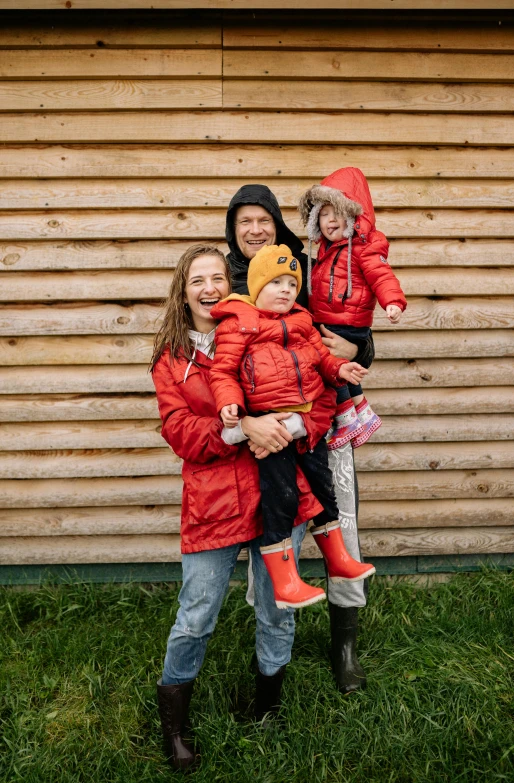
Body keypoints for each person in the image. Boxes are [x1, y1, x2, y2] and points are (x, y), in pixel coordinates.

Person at [150, 244, 324, 769]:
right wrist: (241, 426)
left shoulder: (264, 329)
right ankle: (175, 724)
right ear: (183, 293)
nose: (209, 288)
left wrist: (292, 424)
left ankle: (267, 707)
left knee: (277, 609)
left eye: (218, 278)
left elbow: (314, 400)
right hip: (215, 503)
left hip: (276, 497)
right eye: (197, 280)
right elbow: (180, 431)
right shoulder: (172, 361)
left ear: (233, 285)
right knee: (197, 613)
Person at [225, 185, 376, 695]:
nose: (255, 229)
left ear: (277, 223)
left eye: (263, 219)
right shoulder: (224, 279)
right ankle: (274, 654)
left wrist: (353, 347)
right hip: (259, 434)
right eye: (244, 221)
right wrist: (245, 423)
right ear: (233, 228)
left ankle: (345, 645)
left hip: (322, 423)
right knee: (277, 523)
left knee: (340, 521)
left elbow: (352, 328)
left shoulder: (305, 272)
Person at [209, 243, 376, 610]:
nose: (285, 289)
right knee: (281, 498)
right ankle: (284, 582)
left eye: (291, 283)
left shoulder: (303, 321)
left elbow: (321, 358)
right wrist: (229, 403)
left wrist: (339, 369)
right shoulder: (238, 324)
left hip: (309, 423)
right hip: (272, 427)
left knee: (324, 489)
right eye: (276, 282)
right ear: (256, 288)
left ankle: (339, 561)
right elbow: (222, 371)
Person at [299, 167, 407, 449]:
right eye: (323, 213)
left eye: (338, 211)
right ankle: (362, 411)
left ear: (353, 215)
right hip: (332, 321)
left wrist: (393, 302)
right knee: (334, 365)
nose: (330, 220)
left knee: (332, 367)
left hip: (349, 326)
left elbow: (382, 276)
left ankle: (348, 418)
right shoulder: (325, 250)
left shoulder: (364, 247)